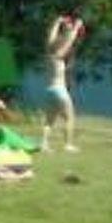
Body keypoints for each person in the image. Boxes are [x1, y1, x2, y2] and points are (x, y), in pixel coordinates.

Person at [40, 13, 85, 153]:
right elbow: (69, 41)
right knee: (69, 117)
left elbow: (51, 38)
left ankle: (44, 144)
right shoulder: (59, 55)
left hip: (49, 90)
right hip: (60, 90)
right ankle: (68, 145)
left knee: (49, 120)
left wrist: (57, 22)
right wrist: (76, 27)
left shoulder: (49, 52)